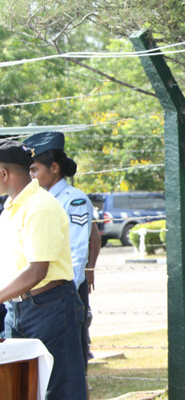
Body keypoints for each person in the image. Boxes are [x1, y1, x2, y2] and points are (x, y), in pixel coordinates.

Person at [0, 139, 87, 400]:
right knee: (20, 388)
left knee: (60, 390)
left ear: (3, 173)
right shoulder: (10, 209)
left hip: (49, 307)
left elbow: (36, 271)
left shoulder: (40, 206)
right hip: (16, 308)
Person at [25, 130, 101, 375]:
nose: (31, 176)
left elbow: (76, 252)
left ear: (54, 168)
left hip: (64, 292)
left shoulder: (73, 200)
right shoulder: (35, 200)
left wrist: (68, 295)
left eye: (34, 170)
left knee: (70, 370)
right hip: (41, 294)